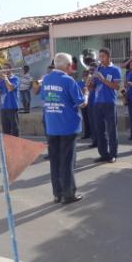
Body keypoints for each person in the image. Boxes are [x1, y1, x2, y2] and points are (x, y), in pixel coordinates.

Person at [41, 53, 87, 204]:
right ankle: (68, 194)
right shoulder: (69, 81)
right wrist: (86, 94)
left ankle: (57, 194)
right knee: (67, 162)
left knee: (55, 162)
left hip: (52, 126)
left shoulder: (46, 79)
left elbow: (44, 98)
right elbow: (81, 103)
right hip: (67, 126)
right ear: (68, 66)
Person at [91, 48, 121, 163]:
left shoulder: (115, 70)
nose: (101, 59)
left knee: (111, 130)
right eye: (100, 56)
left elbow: (116, 87)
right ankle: (103, 153)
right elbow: (93, 88)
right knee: (99, 130)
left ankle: (113, 154)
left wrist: (102, 79)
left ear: (109, 57)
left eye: (103, 56)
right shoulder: (98, 69)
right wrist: (91, 83)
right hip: (97, 103)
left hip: (109, 102)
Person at [0, 64, 20, 137]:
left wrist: (5, 78)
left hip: (12, 107)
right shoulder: (1, 81)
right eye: (2, 69)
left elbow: (11, 88)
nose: (3, 71)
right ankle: (8, 146)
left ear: (10, 69)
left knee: (15, 129)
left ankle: (16, 145)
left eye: (5, 68)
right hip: (3, 108)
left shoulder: (16, 78)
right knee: (5, 130)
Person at [85, 62, 98, 148]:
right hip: (90, 101)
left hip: (96, 102)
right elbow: (87, 87)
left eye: (93, 69)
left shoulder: (97, 77)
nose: (91, 71)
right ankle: (94, 140)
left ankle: (98, 140)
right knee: (92, 122)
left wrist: (92, 78)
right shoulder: (89, 77)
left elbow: (93, 86)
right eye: (90, 69)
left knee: (97, 123)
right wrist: (88, 78)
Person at [78, 70, 91, 139]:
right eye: (84, 75)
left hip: (91, 103)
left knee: (91, 119)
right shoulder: (80, 83)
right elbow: (80, 92)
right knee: (85, 119)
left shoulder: (91, 82)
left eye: (86, 75)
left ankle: (92, 134)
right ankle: (87, 134)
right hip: (83, 103)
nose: (85, 76)